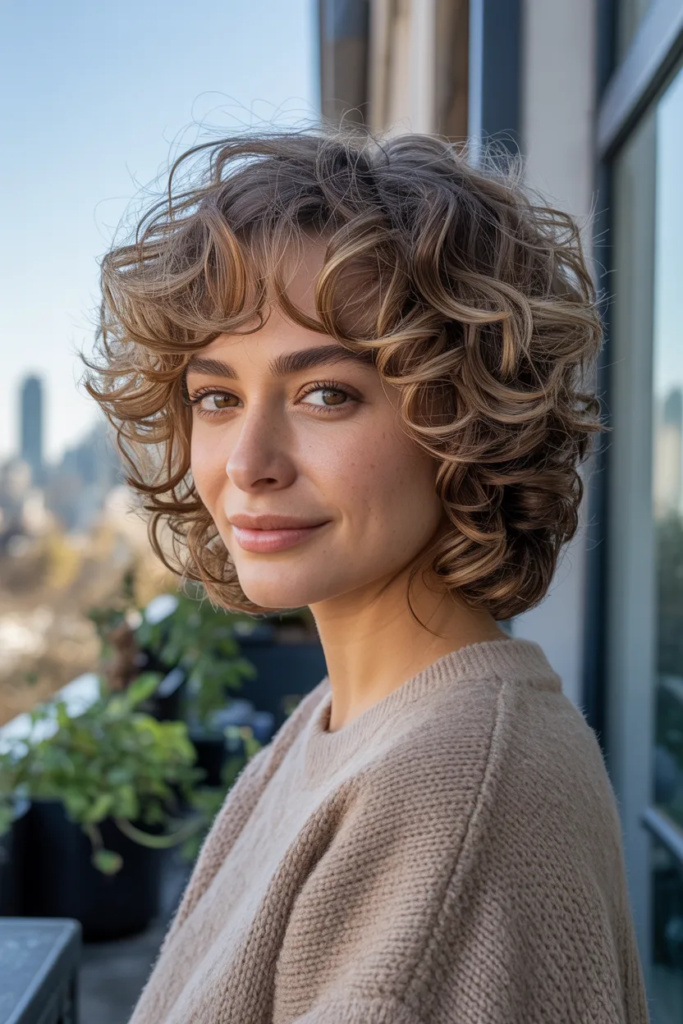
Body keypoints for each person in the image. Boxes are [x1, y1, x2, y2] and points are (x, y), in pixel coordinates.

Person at [84, 129, 651, 1023]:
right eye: (217, 397)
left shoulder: (448, 802)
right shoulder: (348, 724)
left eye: (325, 394)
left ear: (467, 419)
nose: (249, 463)